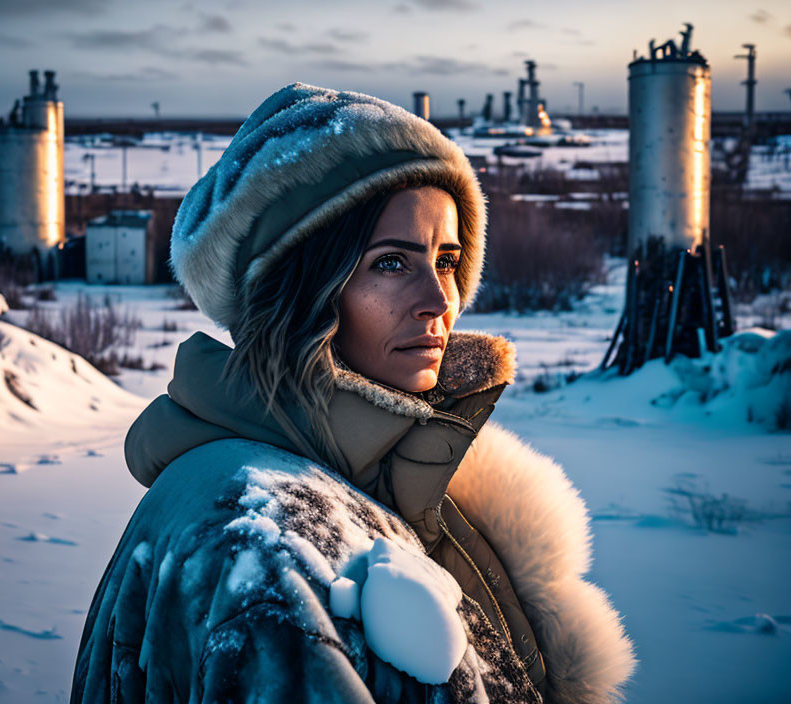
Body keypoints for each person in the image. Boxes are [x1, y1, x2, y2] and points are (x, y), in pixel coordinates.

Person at [71, 83, 635, 704]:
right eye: (391, 263)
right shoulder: (264, 542)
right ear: (300, 289)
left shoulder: (379, 479)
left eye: (447, 260)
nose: (439, 300)